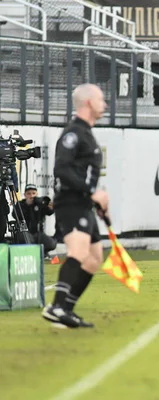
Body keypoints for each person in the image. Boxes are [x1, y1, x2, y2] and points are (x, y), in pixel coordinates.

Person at [41, 83, 109, 329]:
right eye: (101, 100)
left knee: (94, 258)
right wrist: (92, 193)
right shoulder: (73, 134)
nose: (105, 104)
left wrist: (97, 200)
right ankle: (57, 307)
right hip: (71, 202)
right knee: (79, 253)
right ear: (89, 102)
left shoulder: (87, 133)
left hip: (84, 203)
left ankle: (65, 309)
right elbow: (61, 170)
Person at [12, 183, 56, 256]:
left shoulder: (39, 203)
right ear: (25, 195)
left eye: (33, 193)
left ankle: (42, 251)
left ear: (37, 194)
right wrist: (27, 205)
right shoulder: (20, 204)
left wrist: (51, 207)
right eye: (28, 194)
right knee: (26, 240)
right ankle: (33, 252)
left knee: (52, 244)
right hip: (25, 233)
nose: (31, 196)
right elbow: (15, 215)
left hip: (38, 234)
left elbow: (49, 212)